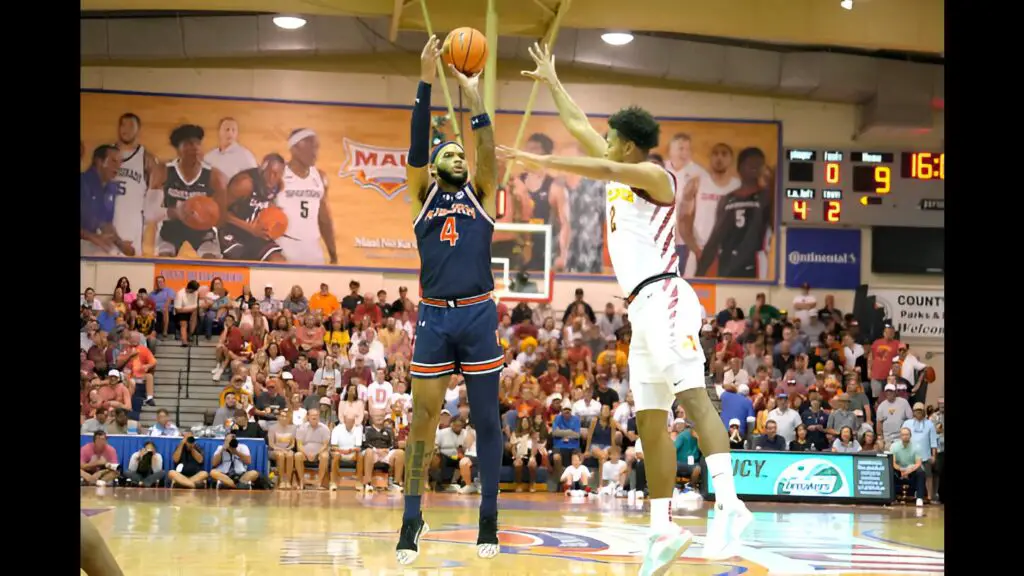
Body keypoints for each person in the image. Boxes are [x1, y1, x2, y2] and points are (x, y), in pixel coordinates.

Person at [501, 42, 749, 573]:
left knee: (695, 397)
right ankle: (663, 528)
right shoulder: (619, 168)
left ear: (630, 147)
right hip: (640, 309)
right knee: (651, 420)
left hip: (668, 296)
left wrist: (537, 160)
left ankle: (729, 502)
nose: (603, 141)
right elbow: (581, 129)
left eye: (612, 137)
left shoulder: (658, 177)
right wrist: (551, 79)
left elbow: (588, 157)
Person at [396, 36, 504, 566]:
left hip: (480, 312)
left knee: (487, 421)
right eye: (450, 153)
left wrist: (475, 96)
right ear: (438, 167)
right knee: (422, 420)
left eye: (460, 152)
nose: (459, 156)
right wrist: (423, 80)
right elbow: (416, 150)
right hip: (435, 318)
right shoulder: (423, 197)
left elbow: (487, 151)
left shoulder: (480, 192)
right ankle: (411, 516)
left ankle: (489, 515)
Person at [146, 124, 227, 259]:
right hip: (171, 228)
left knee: (211, 261)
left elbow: (222, 217)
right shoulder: (163, 171)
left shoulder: (214, 176)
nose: (194, 148)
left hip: (202, 231)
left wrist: (209, 215)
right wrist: (177, 212)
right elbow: (149, 213)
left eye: (197, 143)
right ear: (178, 150)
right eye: (189, 144)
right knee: (164, 260)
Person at [695, 147, 775, 279]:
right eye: (751, 164)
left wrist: (772, 186)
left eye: (758, 165)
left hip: (754, 262)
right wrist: (700, 273)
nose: (755, 168)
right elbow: (716, 237)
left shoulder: (766, 196)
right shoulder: (727, 199)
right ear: (740, 168)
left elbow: (774, 227)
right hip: (728, 262)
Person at [274, 128, 338, 264]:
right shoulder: (278, 174)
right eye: (310, 148)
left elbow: (324, 218)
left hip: (312, 246)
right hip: (284, 244)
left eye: (316, 148)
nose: (315, 153)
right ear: (294, 149)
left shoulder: (320, 177)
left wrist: (333, 253)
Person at [675, 141, 739, 277]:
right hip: (700, 250)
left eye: (724, 154)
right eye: (715, 154)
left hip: (728, 253)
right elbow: (683, 220)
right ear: (710, 158)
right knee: (691, 296)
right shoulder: (696, 183)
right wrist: (696, 250)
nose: (719, 158)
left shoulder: (737, 186)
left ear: (731, 159)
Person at [217, 153, 288, 262]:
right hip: (232, 232)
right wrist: (250, 228)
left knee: (278, 261)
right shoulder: (244, 184)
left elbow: (266, 205)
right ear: (261, 169)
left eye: (277, 174)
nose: (272, 177)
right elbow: (219, 211)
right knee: (241, 263)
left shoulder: (278, 186)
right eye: (270, 172)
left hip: (254, 234)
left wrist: (274, 220)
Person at [112, 112, 160, 257]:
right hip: (109, 219)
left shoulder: (146, 157)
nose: (125, 129)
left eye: (130, 125)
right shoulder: (107, 154)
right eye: (123, 125)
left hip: (133, 221)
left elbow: (154, 195)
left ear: (138, 129)